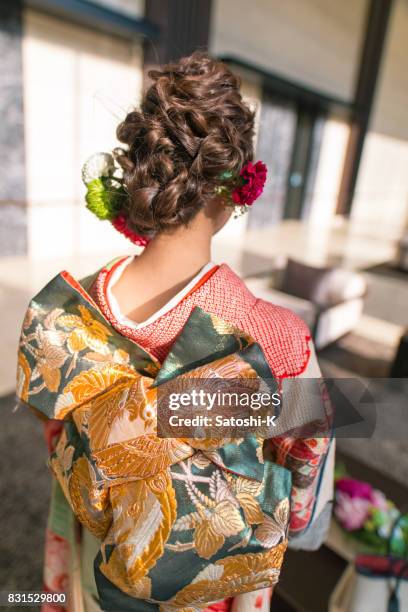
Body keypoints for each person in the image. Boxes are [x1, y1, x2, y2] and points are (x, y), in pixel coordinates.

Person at [16, 53, 334, 612]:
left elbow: (60, 448)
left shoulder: (64, 313)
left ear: (139, 174)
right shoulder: (280, 341)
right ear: (237, 183)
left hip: (92, 566)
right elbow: (303, 516)